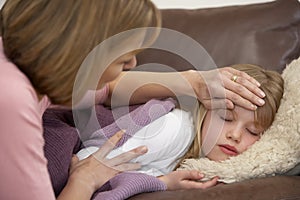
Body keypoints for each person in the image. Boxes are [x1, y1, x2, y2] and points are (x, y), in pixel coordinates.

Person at [0, 1, 266, 200]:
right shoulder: (11, 98)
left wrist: (194, 82)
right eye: (123, 58)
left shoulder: (27, 70)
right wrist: (84, 180)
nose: (133, 64)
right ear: (80, 49)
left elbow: (109, 89)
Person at [77, 64, 284, 184]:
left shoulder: (203, 161)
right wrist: (159, 182)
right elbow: (86, 163)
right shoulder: (172, 129)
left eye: (253, 131)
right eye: (226, 118)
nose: (235, 135)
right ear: (205, 110)